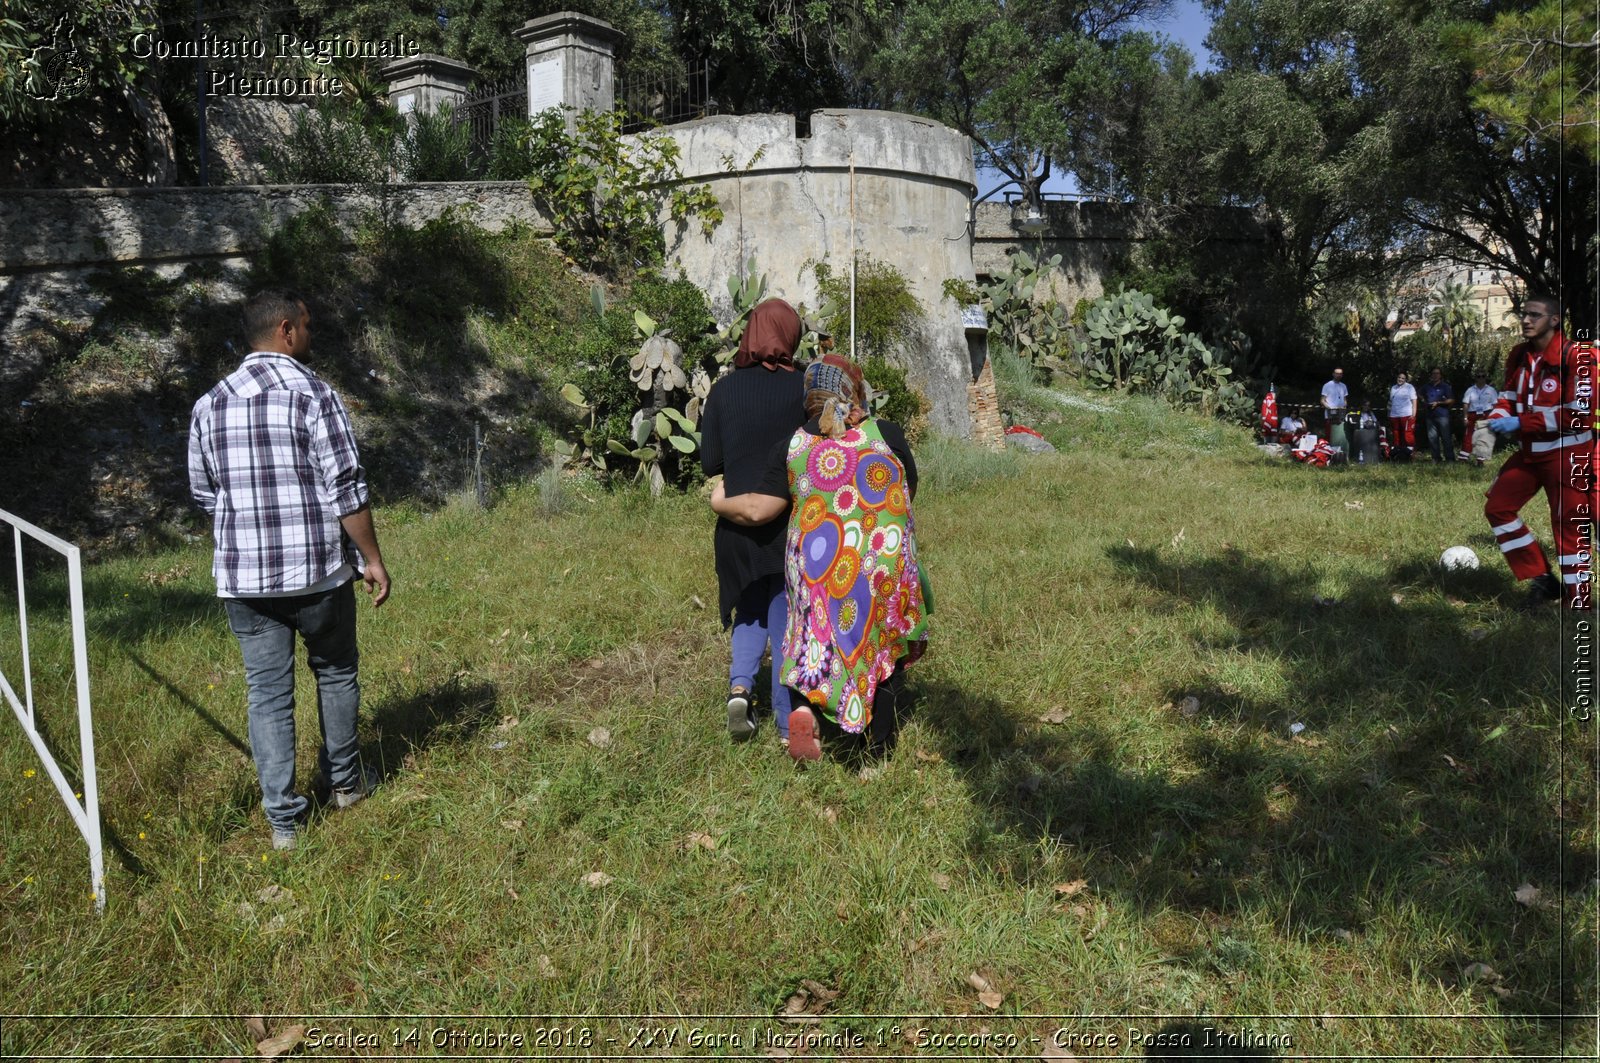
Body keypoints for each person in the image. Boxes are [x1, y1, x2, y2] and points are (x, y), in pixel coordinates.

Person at [188, 291, 391, 851]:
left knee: (267, 695)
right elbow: (346, 490)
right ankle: (344, 785)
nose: (310, 332)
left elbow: (206, 495)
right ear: (285, 330)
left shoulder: (209, 404)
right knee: (335, 670)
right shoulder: (315, 395)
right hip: (317, 575)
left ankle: (283, 822)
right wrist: (371, 559)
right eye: (307, 324)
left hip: (244, 583)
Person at [711, 353, 929, 760]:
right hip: (880, 564)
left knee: (814, 643)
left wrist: (719, 501)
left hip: (817, 565)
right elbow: (908, 491)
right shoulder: (886, 434)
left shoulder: (793, 445)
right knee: (879, 649)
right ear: (854, 389)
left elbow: (762, 509)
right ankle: (873, 753)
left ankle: (804, 710)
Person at [698, 299, 807, 743]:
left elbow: (709, 462)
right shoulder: (803, 389)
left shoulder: (723, 390)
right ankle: (786, 720)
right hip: (789, 524)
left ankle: (740, 688)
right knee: (785, 608)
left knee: (749, 607)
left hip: (736, 525)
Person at [1482, 295, 1596, 609]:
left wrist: (1523, 421)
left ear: (1555, 320)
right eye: (1524, 314)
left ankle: (1579, 601)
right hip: (1530, 453)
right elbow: (1506, 397)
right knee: (1498, 508)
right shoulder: (1518, 355)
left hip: (1568, 453)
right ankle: (1543, 579)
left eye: (1534, 315)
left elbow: (1580, 414)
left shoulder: (1580, 356)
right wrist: (1498, 417)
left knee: (1568, 526)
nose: (1526, 320)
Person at [1462, 370, 1499, 465]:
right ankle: (1463, 458)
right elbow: (1466, 404)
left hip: (1486, 414)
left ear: (1485, 377)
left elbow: (1495, 404)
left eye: (1483, 376)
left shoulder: (1491, 390)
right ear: (1475, 378)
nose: (1481, 378)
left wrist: (1495, 417)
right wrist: (1465, 417)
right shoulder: (1470, 390)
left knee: (1483, 436)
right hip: (1473, 414)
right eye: (1478, 376)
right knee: (1468, 435)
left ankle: (1480, 460)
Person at [1422, 367, 1456, 462]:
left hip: (1442, 415)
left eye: (1437, 373)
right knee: (1432, 438)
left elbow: (1452, 399)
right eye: (1433, 373)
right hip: (1430, 416)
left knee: (1446, 438)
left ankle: (1450, 458)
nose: (1435, 375)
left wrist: (1439, 403)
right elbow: (1419, 393)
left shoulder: (1445, 386)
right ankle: (1436, 458)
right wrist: (1423, 400)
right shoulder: (1427, 386)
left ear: (1440, 375)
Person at [1388, 370, 1418, 460]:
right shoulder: (1393, 388)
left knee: (1407, 434)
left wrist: (1414, 414)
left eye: (1403, 378)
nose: (1400, 379)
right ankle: (1397, 453)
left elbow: (1414, 401)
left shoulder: (1410, 387)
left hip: (1406, 414)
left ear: (1405, 380)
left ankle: (1410, 453)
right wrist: (1388, 414)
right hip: (1394, 415)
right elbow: (1390, 402)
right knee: (1396, 434)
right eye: (1399, 377)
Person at [1320, 368, 1349, 452]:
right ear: (1333, 374)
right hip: (1330, 415)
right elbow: (1322, 400)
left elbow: (1345, 400)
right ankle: (1328, 453)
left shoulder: (1343, 386)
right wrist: (1330, 409)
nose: (1338, 375)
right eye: (1337, 373)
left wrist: (1344, 407)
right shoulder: (1327, 385)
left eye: (1340, 374)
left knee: (1340, 435)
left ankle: (1340, 453)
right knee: (1330, 435)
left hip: (1341, 414)